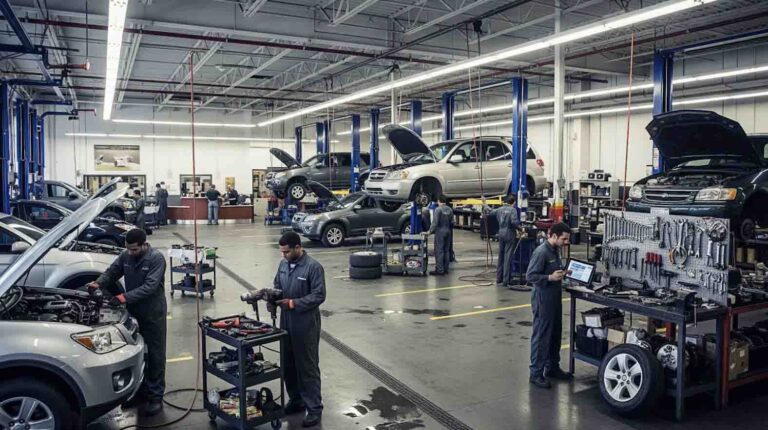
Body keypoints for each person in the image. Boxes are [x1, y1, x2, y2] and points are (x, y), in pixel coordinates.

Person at [88, 229, 167, 415]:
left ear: (143, 244)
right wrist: (98, 283)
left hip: (152, 312)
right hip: (133, 312)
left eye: (134, 250)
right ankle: (140, 392)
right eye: (128, 249)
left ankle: (156, 397)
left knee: (155, 354)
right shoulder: (125, 255)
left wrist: (122, 298)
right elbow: (112, 272)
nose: (130, 253)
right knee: (138, 352)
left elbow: (150, 287)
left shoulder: (156, 259)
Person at [269, 232, 326, 427]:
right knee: (288, 364)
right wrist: (273, 300)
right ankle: (296, 400)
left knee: (307, 367)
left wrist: (293, 303)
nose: (283, 255)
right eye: (281, 252)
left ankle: (314, 409)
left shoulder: (313, 267)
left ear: (297, 248)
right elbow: (277, 285)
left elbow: (319, 296)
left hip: (305, 324)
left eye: (286, 252)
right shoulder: (283, 265)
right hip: (286, 321)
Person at [526, 222, 572, 389]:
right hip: (543, 299)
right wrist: (550, 278)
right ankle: (536, 373)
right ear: (553, 236)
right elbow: (530, 276)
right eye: (564, 239)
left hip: (554, 297)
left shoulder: (555, 250)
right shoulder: (541, 252)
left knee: (555, 333)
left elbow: (552, 271)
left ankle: (552, 368)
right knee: (542, 336)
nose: (566, 242)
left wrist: (563, 273)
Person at [490, 195, 520, 289]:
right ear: (513, 202)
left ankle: (498, 279)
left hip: (501, 233)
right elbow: (514, 222)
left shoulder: (500, 209)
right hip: (509, 234)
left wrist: (484, 204)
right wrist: (520, 228)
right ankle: (505, 281)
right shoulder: (513, 210)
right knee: (507, 257)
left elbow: (490, 211)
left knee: (501, 256)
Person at [428, 195, 454, 276]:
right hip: (448, 231)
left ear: (439, 201)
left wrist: (429, 232)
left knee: (439, 251)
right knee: (446, 251)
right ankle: (445, 269)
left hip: (440, 232)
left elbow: (435, 223)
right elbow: (452, 222)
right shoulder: (449, 209)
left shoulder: (438, 209)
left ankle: (439, 270)